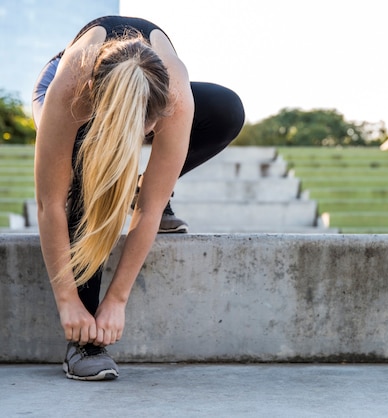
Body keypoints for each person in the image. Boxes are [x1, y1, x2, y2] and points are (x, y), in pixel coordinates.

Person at [32, 15, 245, 381]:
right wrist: (67, 301)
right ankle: (84, 345)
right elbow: (49, 204)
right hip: (70, 85)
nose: (134, 143)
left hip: (143, 85)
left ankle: (135, 183)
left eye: (142, 134)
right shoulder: (70, 91)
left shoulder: (175, 96)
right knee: (89, 174)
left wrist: (118, 300)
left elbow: (149, 210)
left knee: (227, 109)